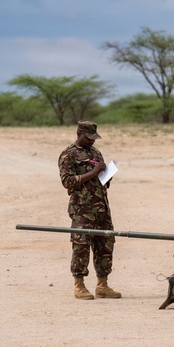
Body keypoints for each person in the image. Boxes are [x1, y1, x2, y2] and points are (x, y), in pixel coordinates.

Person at [57, 121, 121, 300]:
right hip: (82, 209)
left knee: (105, 245)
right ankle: (79, 286)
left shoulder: (95, 153)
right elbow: (67, 182)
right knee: (81, 246)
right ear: (79, 134)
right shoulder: (68, 154)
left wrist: (106, 175)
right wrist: (93, 173)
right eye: (89, 138)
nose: (92, 141)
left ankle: (103, 285)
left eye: (94, 138)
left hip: (101, 207)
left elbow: (100, 181)